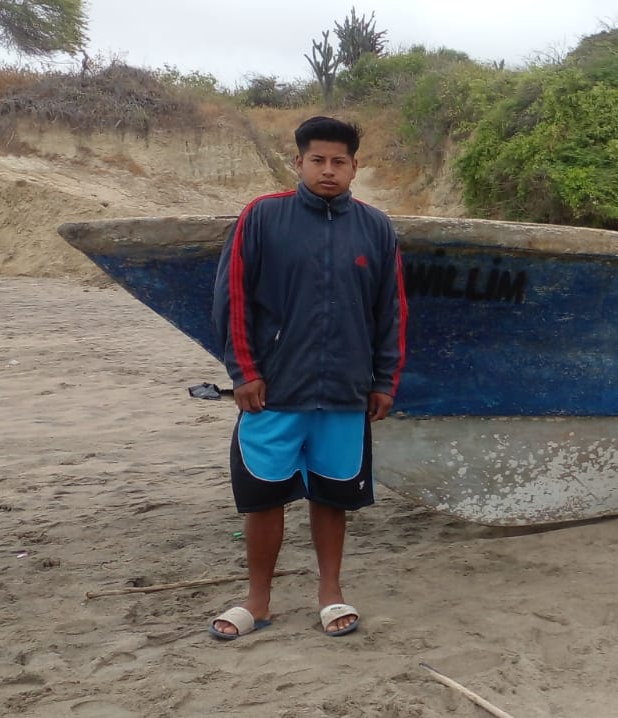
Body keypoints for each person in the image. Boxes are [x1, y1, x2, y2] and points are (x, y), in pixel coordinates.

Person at [206, 116, 407, 640]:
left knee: (332, 495)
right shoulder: (262, 216)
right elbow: (233, 299)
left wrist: (384, 380)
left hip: (344, 392)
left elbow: (391, 311)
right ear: (298, 162)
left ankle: (330, 593)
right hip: (274, 391)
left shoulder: (376, 228)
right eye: (317, 160)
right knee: (262, 496)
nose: (328, 170)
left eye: (339, 161)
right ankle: (257, 600)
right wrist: (244, 372)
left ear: (355, 167)